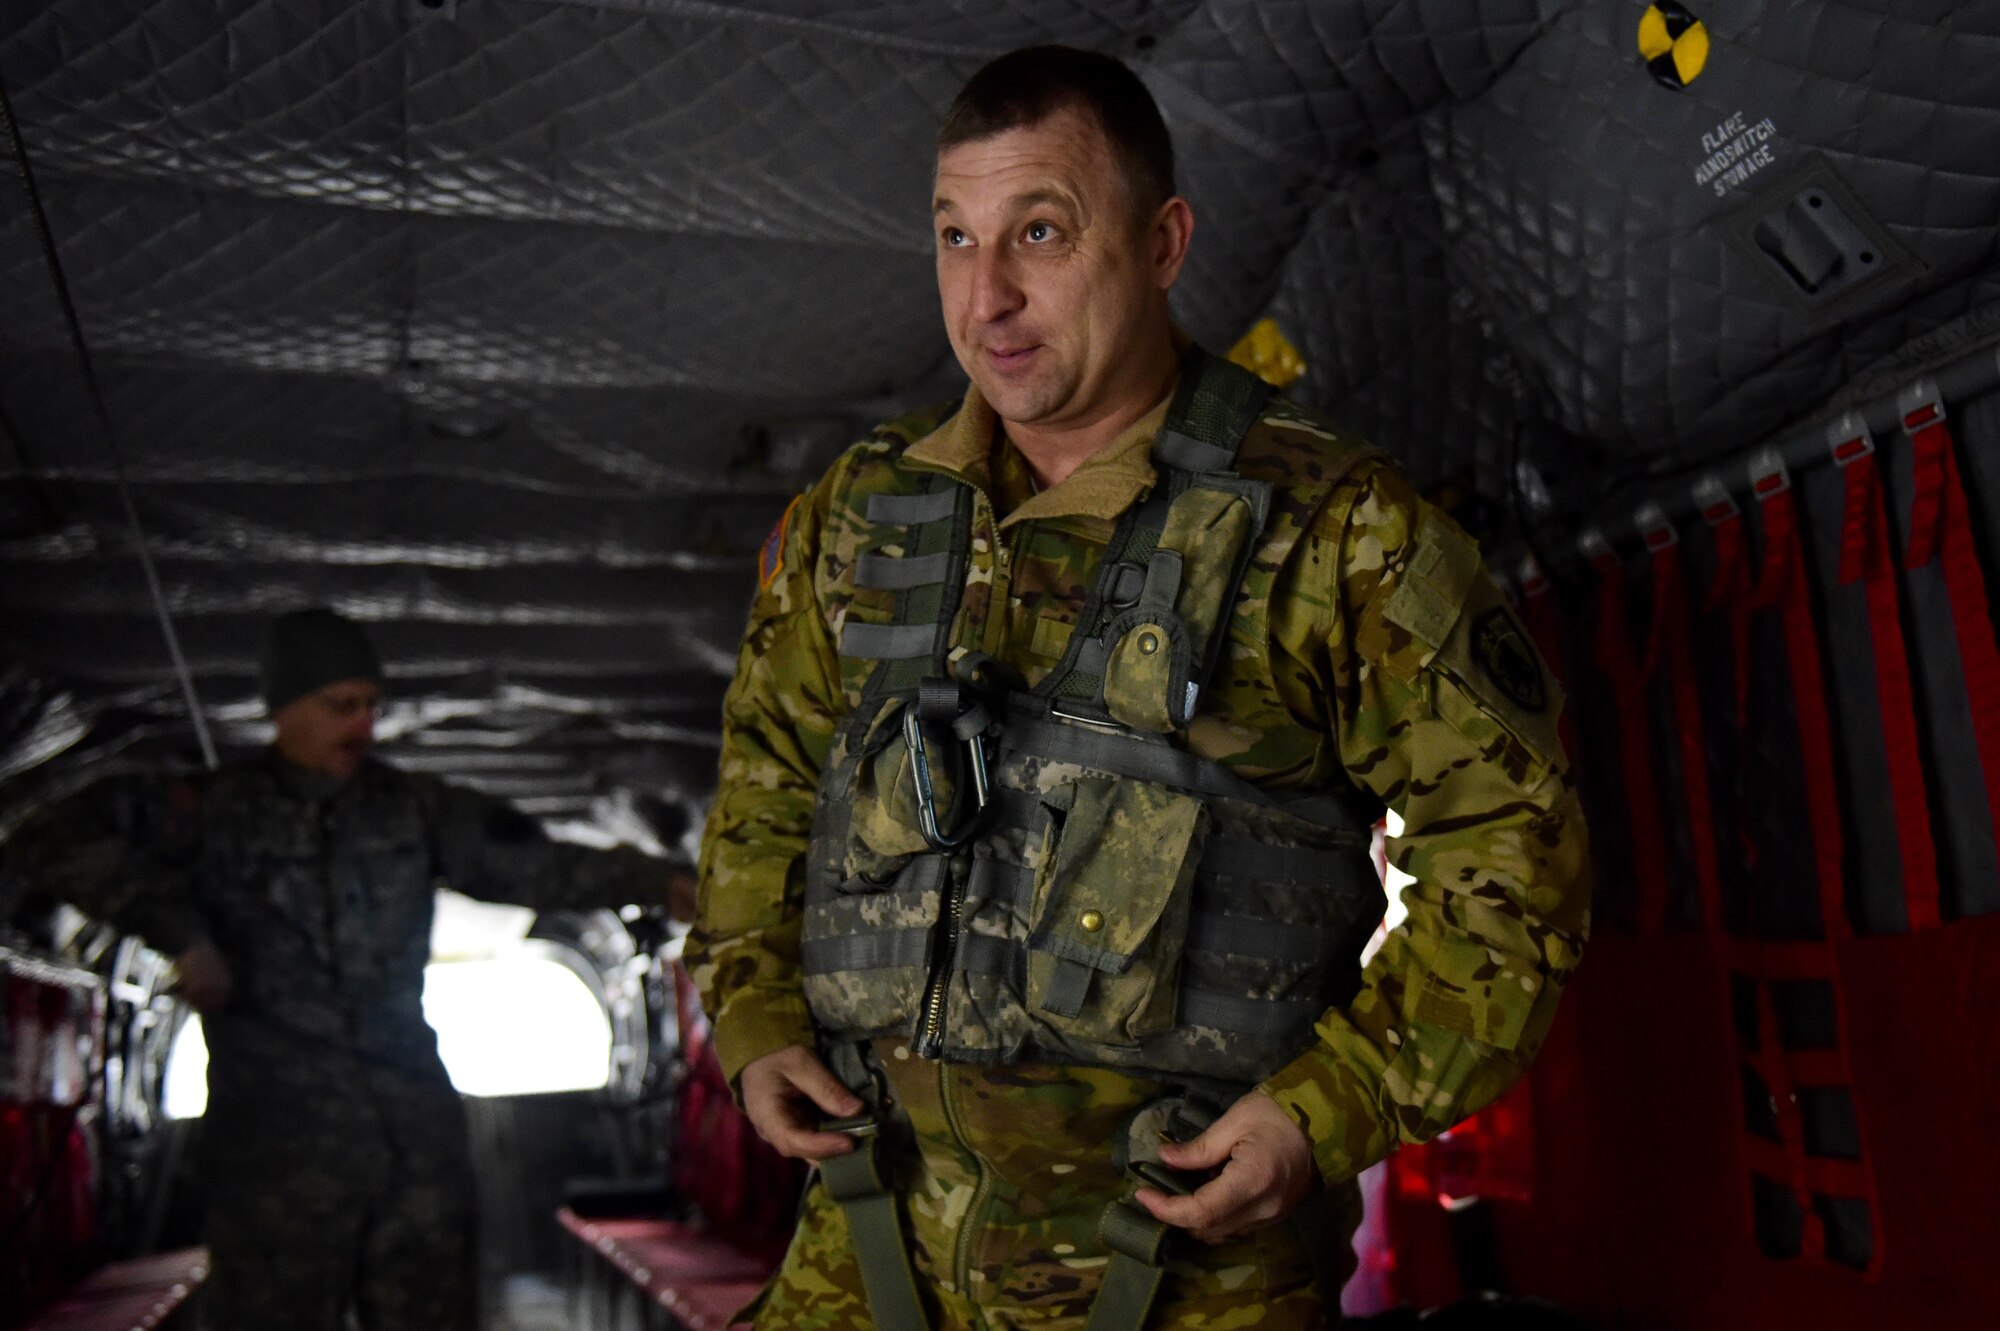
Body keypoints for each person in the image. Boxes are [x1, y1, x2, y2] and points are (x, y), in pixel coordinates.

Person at [687, 44, 1590, 1331]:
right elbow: (769, 771)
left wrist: (1323, 1108)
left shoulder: (1336, 532)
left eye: (1039, 232)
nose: (984, 296)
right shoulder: (864, 513)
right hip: (870, 1240)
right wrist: (754, 1011)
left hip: (1180, 1263)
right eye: (954, 235)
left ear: (1162, 243)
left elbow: (1513, 855)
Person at [5, 608, 678, 1331]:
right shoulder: (209, 809)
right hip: (276, 1161)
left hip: (413, 1151)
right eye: (340, 705)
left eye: (371, 705)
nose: (363, 724)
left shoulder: (412, 808)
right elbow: (49, 834)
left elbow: (541, 865)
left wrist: (668, 881)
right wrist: (179, 933)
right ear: (284, 707)